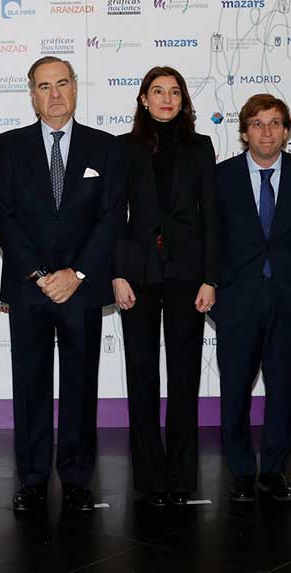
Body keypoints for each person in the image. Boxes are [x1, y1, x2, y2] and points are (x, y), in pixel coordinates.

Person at [0, 56, 125, 514]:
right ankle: (30, 479)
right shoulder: (9, 146)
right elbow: (2, 216)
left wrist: (77, 274)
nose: (54, 94)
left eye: (62, 84)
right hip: (31, 288)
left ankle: (76, 478)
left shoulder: (104, 147)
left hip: (81, 288)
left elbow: (111, 217)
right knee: (29, 386)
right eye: (43, 86)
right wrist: (40, 274)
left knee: (80, 387)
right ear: (31, 94)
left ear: (75, 88)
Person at [112, 65, 218, 507]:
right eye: (157, 91)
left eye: (174, 91)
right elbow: (114, 216)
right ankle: (151, 479)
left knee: (183, 377)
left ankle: (180, 477)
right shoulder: (123, 148)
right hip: (136, 274)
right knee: (141, 377)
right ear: (143, 99)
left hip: (187, 274)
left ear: (183, 99)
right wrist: (116, 273)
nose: (166, 99)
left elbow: (212, 215)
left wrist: (211, 277)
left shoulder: (200, 146)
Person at [211, 94, 291, 504]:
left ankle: (273, 471)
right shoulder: (221, 176)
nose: (266, 131)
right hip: (237, 300)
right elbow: (213, 237)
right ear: (244, 132)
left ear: (286, 131)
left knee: (281, 390)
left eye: (275, 123)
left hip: (288, 298)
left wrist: (287, 266)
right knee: (235, 391)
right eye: (257, 123)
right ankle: (241, 472)